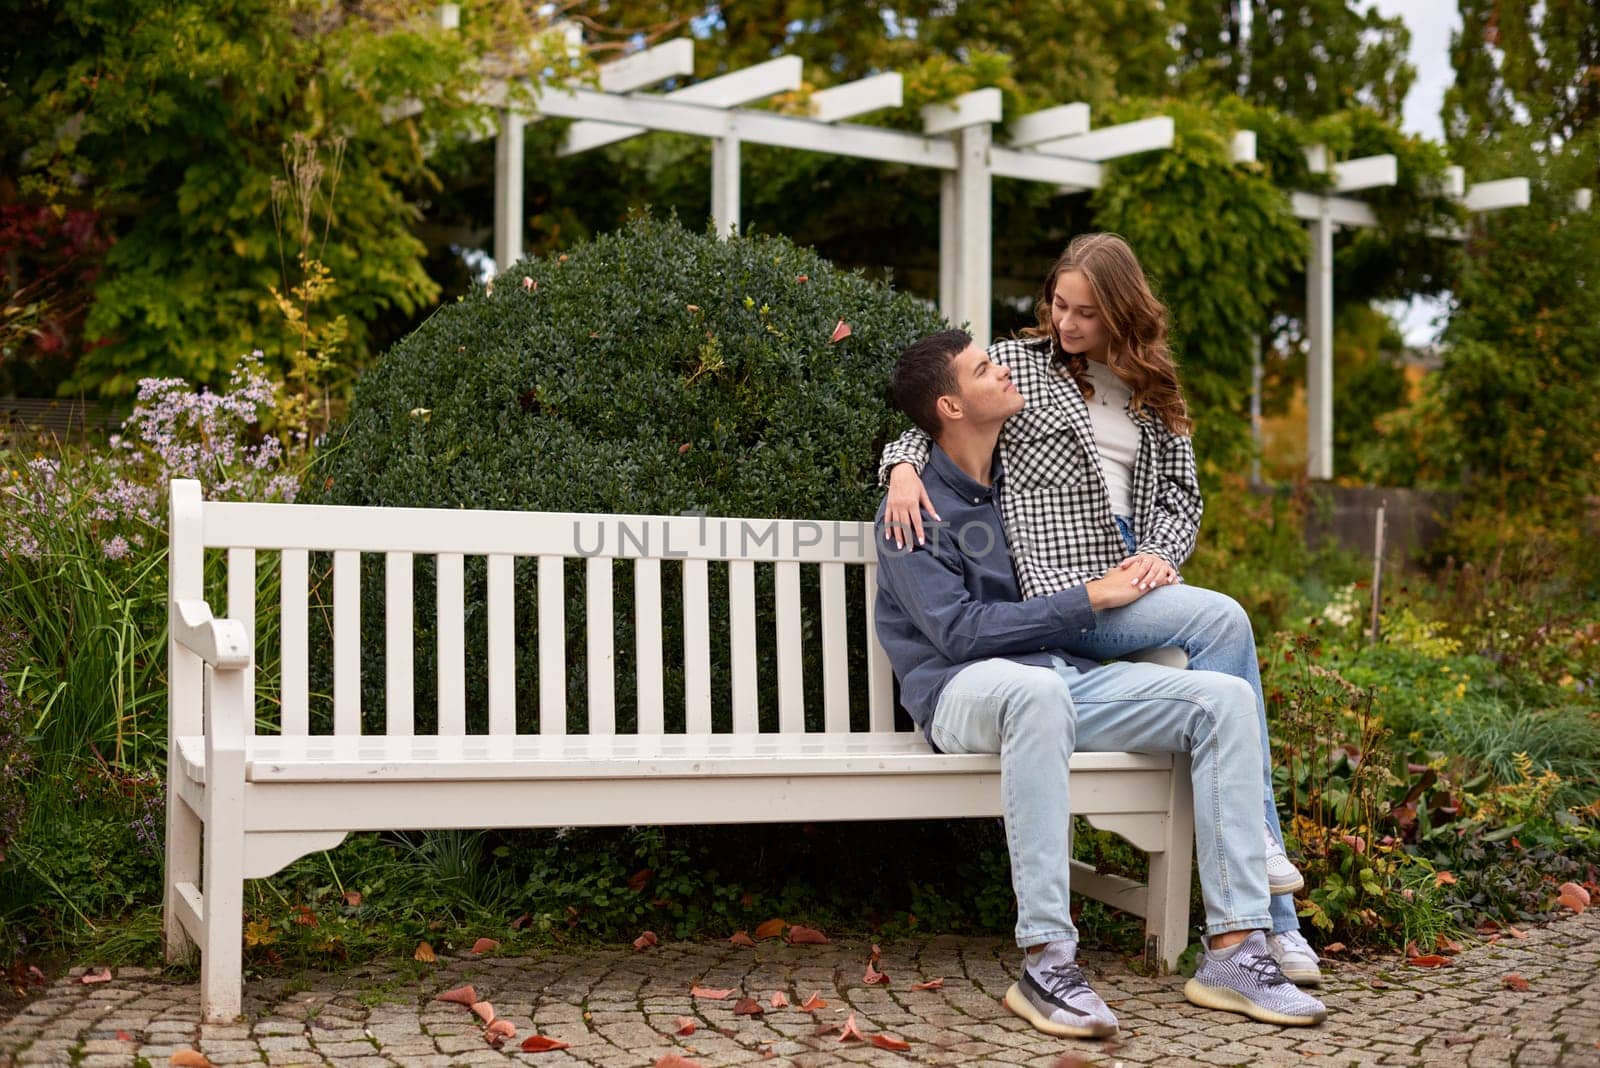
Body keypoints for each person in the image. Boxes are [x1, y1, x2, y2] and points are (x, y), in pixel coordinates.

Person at [878, 234, 1321, 986]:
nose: (1067, 324)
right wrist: (897, 468)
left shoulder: (1160, 392)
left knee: (1221, 651)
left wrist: (1161, 554)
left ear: (1121, 313)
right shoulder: (1021, 367)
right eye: (1059, 305)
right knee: (1221, 623)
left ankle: (1258, 923)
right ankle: (1270, 912)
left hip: (1132, 566)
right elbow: (936, 415)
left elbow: (1183, 496)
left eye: (1086, 313)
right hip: (1066, 580)